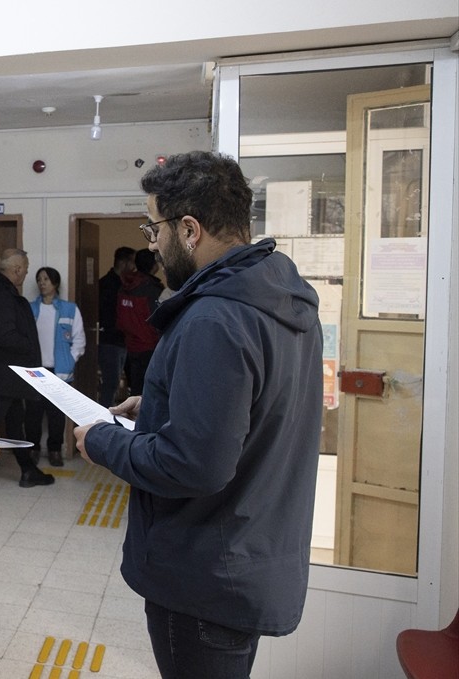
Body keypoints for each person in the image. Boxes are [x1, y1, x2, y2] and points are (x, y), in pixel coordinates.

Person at [75, 151, 323, 679]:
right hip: (247, 554)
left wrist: (100, 440)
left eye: (153, 227)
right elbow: (258, 407)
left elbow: (193, 465)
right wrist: (164, 404)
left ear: (189, 229)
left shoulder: (216, 316)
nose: (151, 243)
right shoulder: (277, 298)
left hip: (206, 574)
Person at [0, 248, 54, 488]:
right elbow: (4, 334)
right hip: (2, 375)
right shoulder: (2, 296)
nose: (26, 275)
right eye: (26, 270)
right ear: (17, 269)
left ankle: (28, 470)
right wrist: (29, 343)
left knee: (15, 421)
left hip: (6, 376)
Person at [27, 266, 85, 467]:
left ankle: (54, 451)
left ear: (55, 283)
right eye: (39, 279)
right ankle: (33, 449)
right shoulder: (31, 308)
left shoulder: (70, 309)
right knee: (33, 414)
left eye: (46, 279)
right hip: (35, 371)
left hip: (60, 372)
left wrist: (70, 360)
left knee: (56, 415)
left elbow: (79, 340)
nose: (42, 283)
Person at [117, 248, 163, 396]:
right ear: (154, 265)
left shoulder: (124, 286)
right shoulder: (152, 289)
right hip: (149, 348)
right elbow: (157, 320)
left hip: (130, 346)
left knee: (135, 391)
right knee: (149, 394)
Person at [97, 246, 135, 406]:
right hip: (110, 340)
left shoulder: (126, 284)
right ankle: (103, 418)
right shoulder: (107, 284)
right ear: (124, 262)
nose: (134, 267)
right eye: (132, 262)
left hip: (123, 340)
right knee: (111, 382)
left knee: (117, 381)